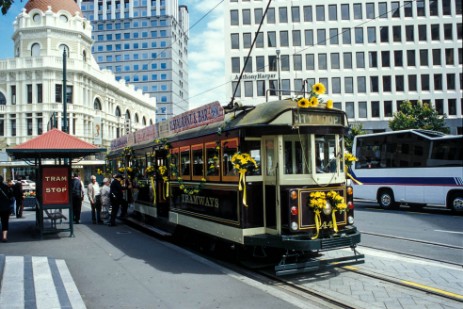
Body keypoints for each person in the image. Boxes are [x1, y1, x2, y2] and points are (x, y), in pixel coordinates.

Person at [0, 175, 14, 242]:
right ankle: (4, 236)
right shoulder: (6, 187)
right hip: (5, 207)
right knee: (5, 222)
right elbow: (11, 196)